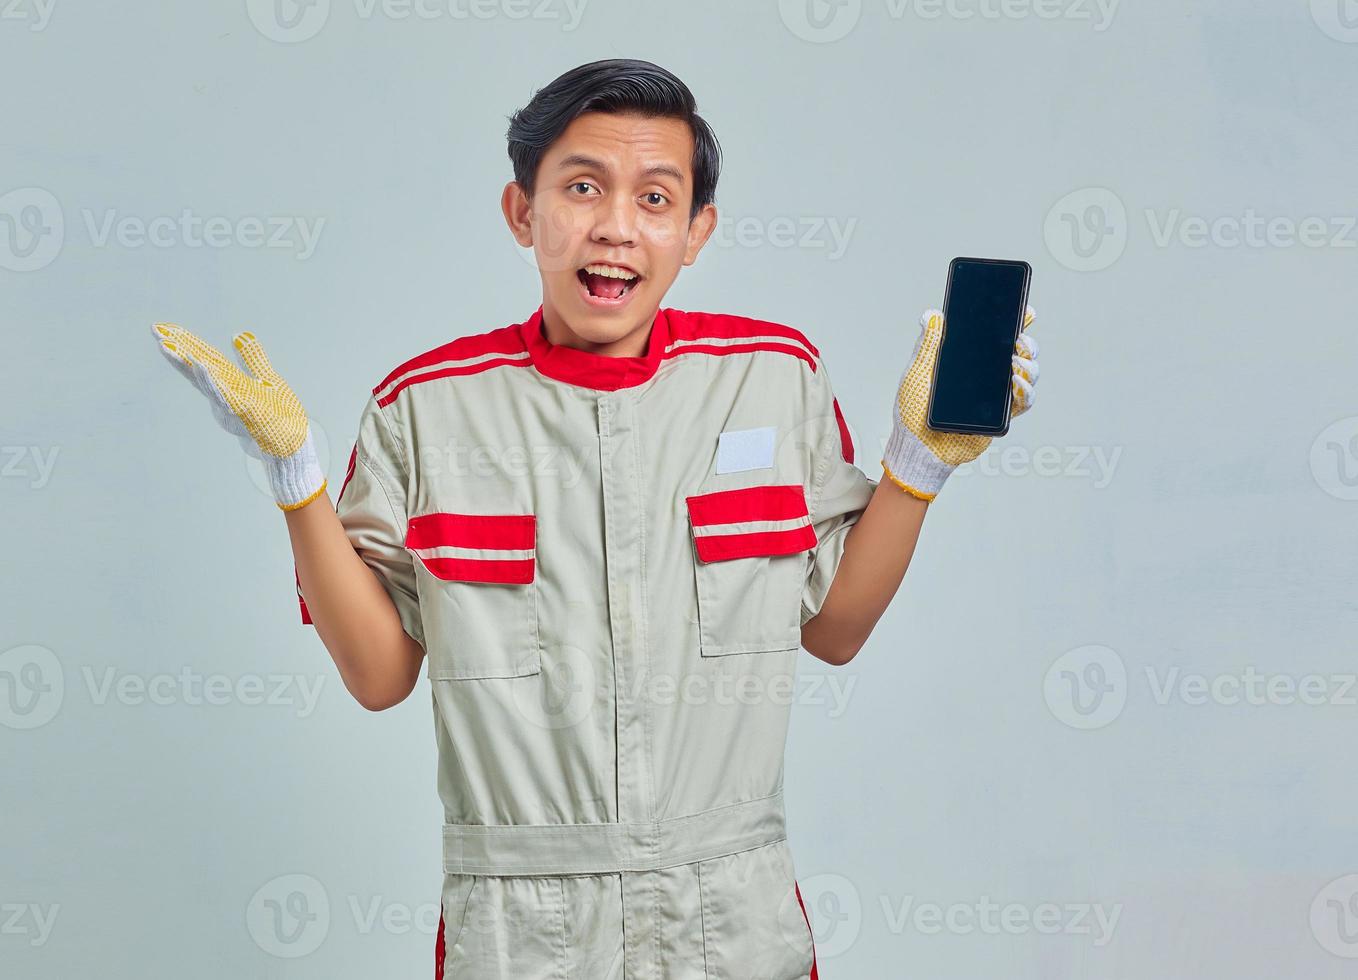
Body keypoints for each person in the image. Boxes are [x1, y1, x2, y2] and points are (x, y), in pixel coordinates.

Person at [151, 58, 1040, 980]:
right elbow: (379, 675)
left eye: (656, 199)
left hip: (731, 920)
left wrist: (917, 462)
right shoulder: (426, 407)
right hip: (523, 933)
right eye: (582, 187)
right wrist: (296, 482)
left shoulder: (772, 378)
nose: (615, 227)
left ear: (697, 231)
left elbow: (837, 628)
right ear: (521, 211)